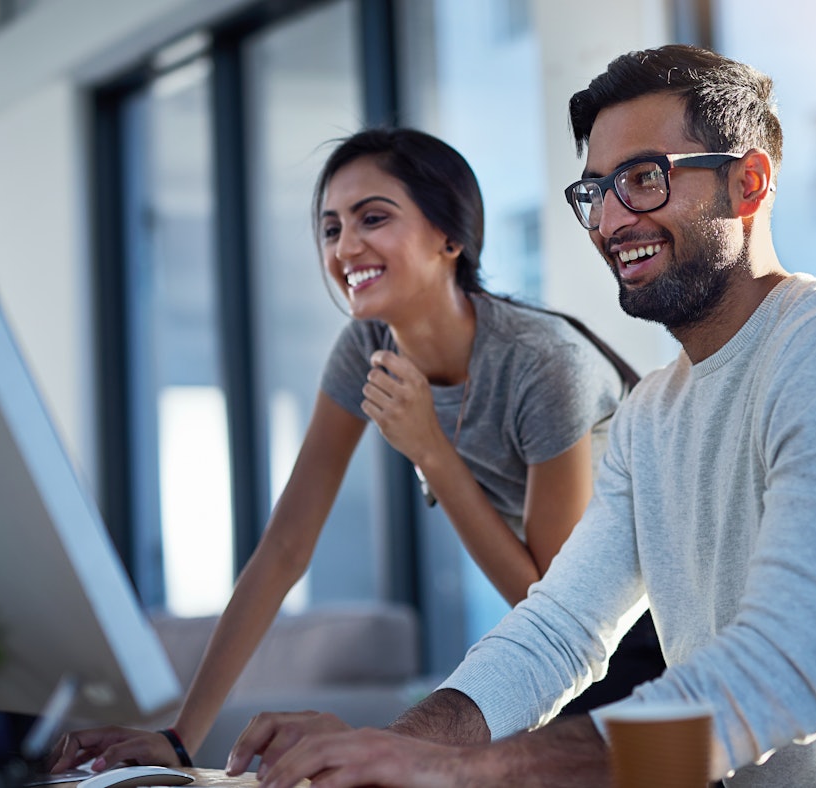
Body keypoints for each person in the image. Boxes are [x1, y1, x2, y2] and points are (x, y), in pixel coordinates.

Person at [220, 44, 816, 787]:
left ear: (749, 182)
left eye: (645, 179)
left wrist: (472, 769)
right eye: (596, 191)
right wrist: (394, 752)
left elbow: (789, 670)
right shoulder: (654, 411)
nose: (613, 219)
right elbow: (556, 631)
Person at [49, 128, 665, 772]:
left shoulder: (544, 364)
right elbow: (285, 547)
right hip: (554, 648)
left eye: (373, 218)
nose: (346, 247)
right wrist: (179, 738)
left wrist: (431, 452)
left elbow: (548, 601)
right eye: (330, 228)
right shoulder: (365, 347)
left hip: (647, 630)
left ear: (449, 238)